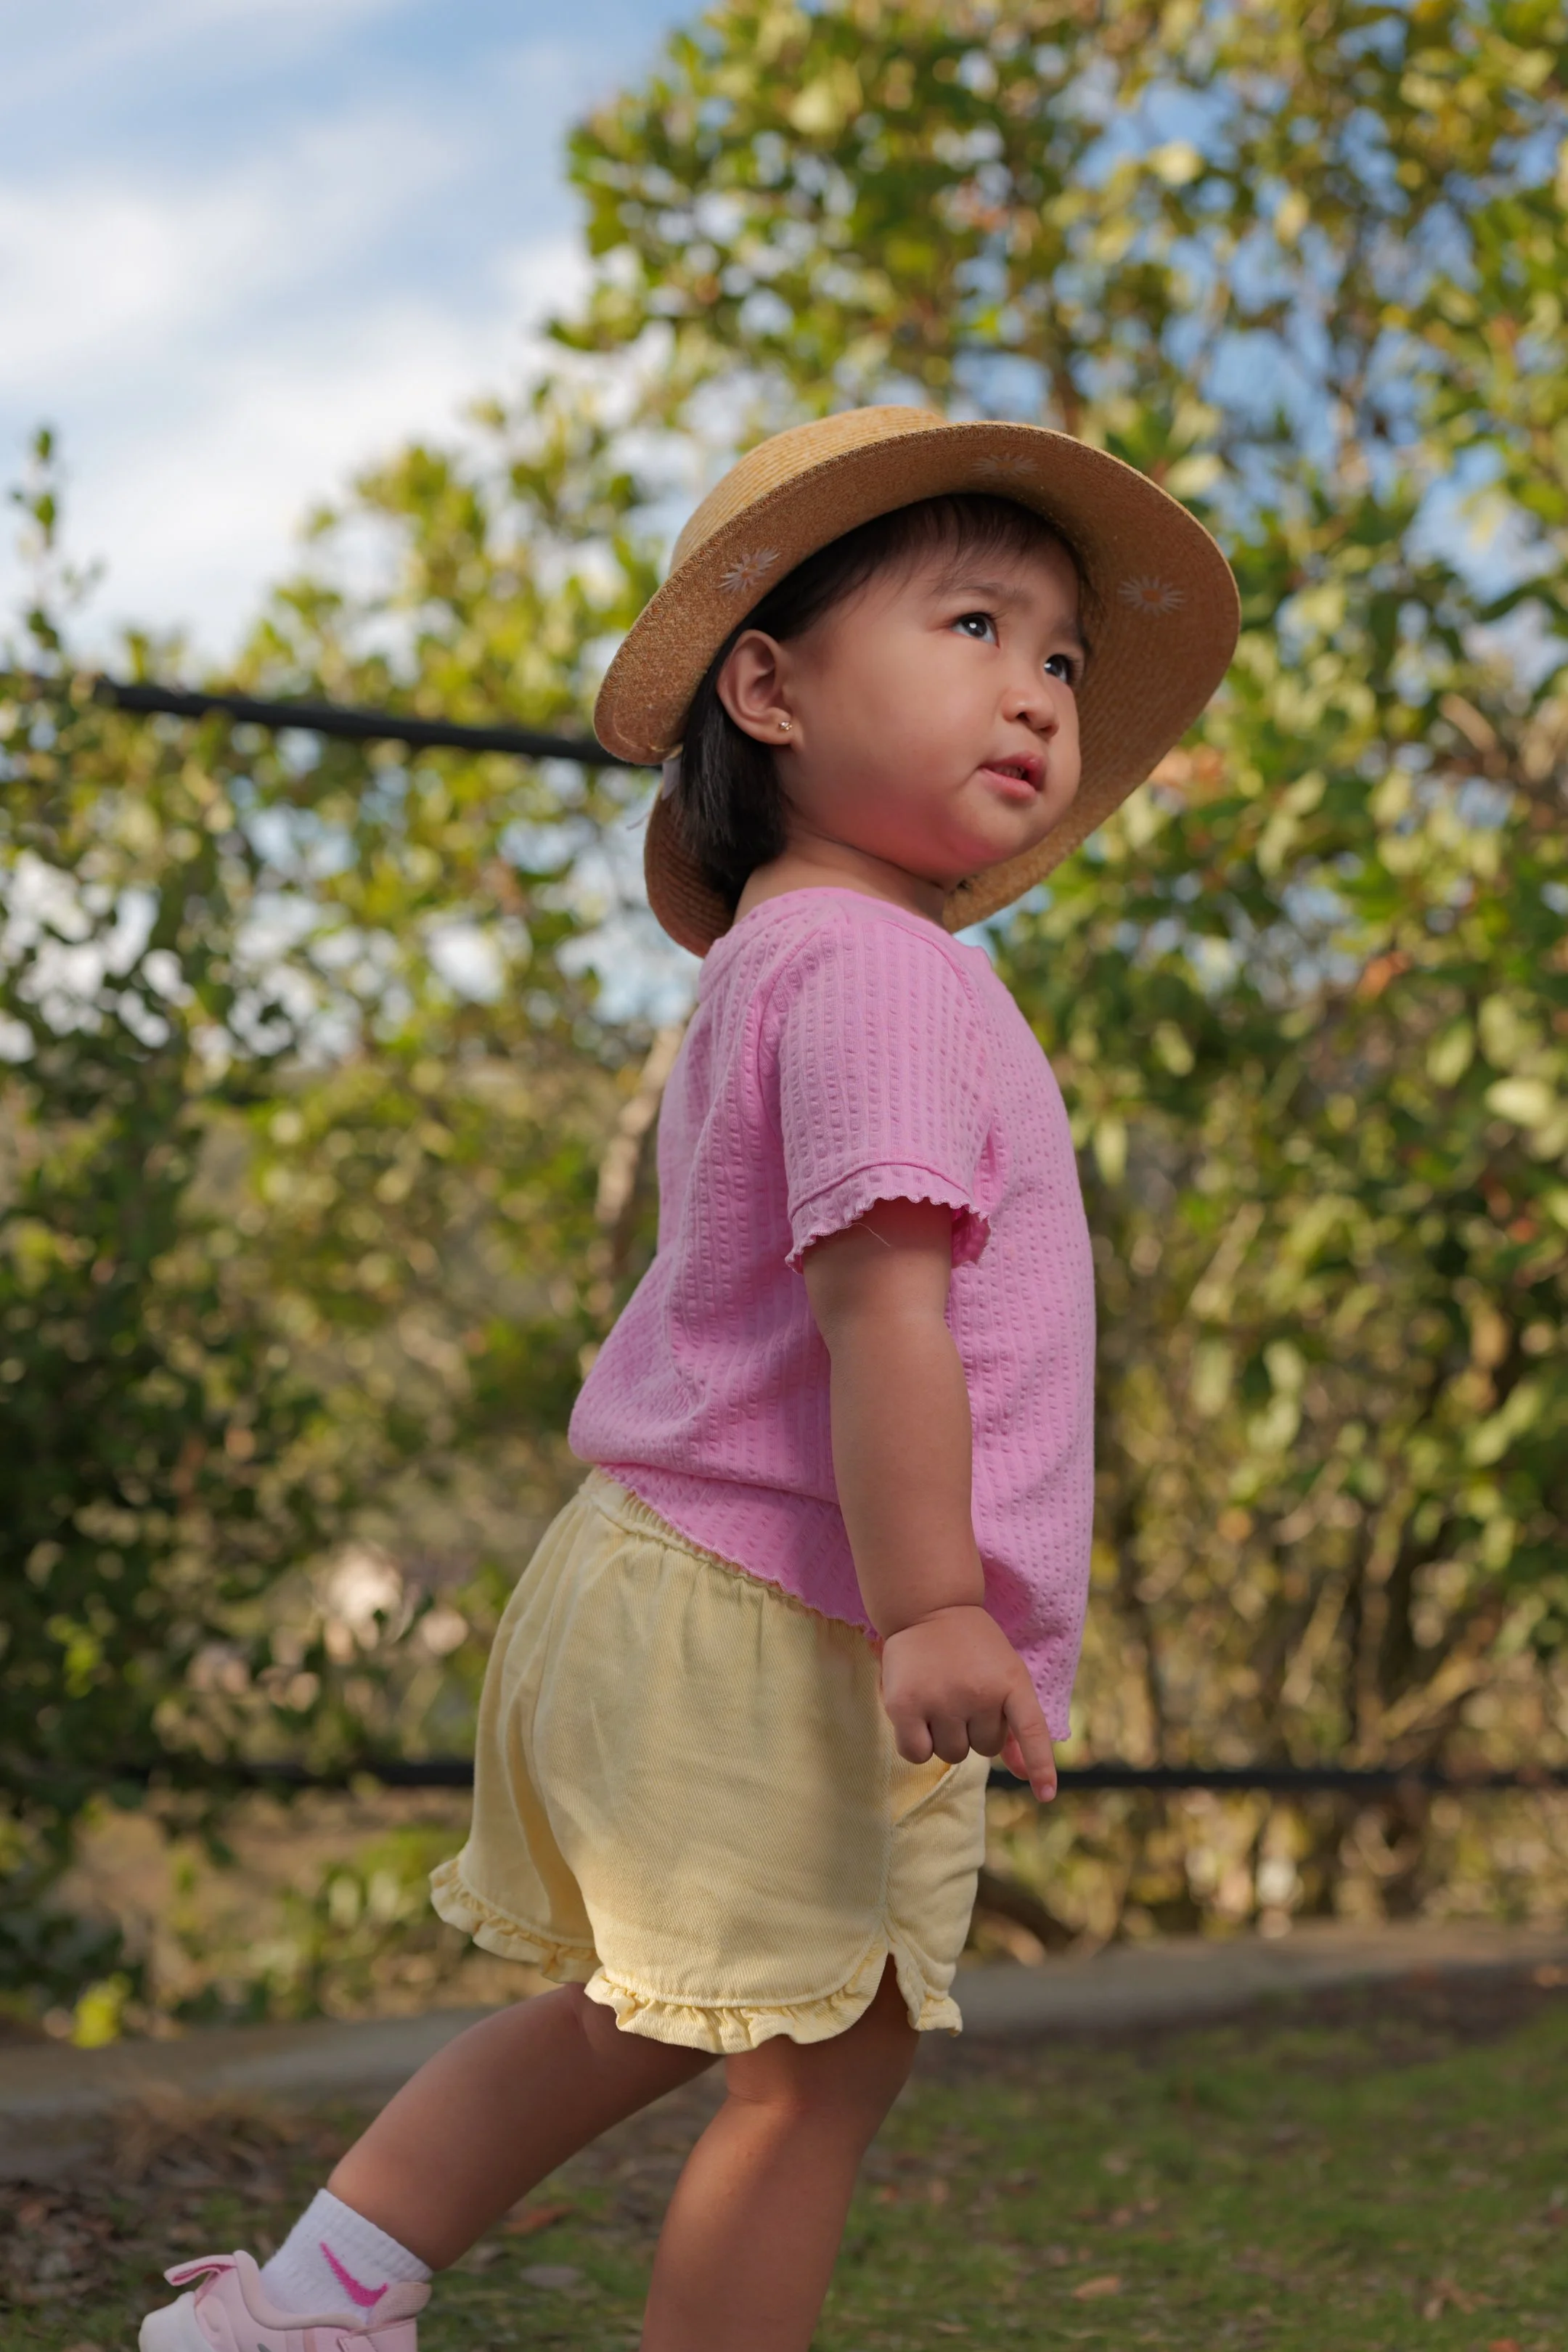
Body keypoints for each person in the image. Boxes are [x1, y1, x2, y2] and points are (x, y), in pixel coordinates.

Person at [139, 404, 1238, 2352]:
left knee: (682, 2019)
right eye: (976, 629)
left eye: (1062, 657)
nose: (1043, 694)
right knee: (802, 2066)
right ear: (770, 686)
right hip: (777, 1594)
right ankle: (308, 2310)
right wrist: (936, 1604)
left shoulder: (793, 952)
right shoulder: (882, 974)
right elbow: (879, 1312)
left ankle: (301, 2310)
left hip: (707, 1576)